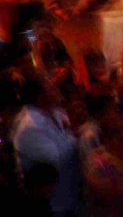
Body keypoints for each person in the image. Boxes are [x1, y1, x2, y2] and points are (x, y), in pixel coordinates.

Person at [12, 78, 81, 217]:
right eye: (51, 88)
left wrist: (70, 134)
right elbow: (55, 159)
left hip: (75, 193)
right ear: (40, 96)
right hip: (59, 204)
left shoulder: (56, 111)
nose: (56, 90)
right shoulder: (29, 127)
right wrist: (75, 137)